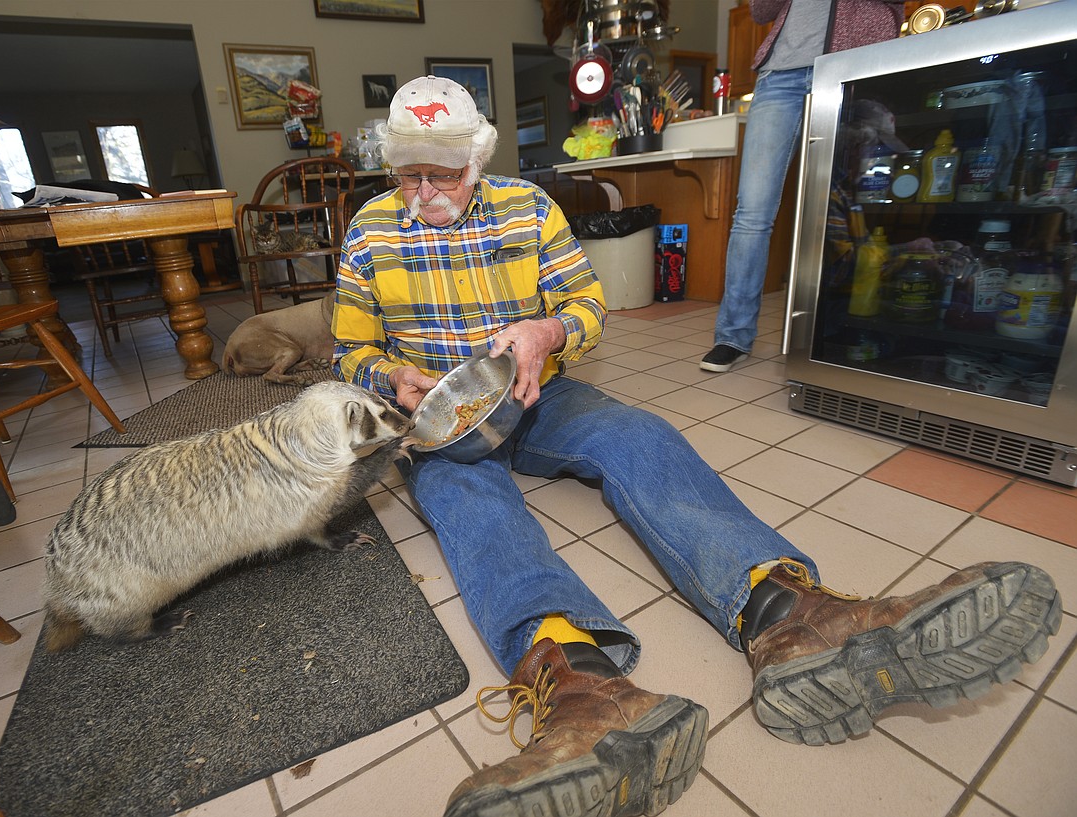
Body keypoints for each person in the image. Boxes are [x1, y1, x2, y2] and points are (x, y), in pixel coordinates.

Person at [332, 76, 1061, 817]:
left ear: (478, 156)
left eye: (444, 172)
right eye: (410, 173)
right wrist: (390, 374)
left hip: (534, 391)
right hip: (440, 421)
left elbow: (586, 303)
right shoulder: (370, 229)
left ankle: (789, 617)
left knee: (635, 434)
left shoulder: (530, 206)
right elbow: (346, 348)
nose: (426, 190)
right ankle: (585, 689)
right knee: (465, 497)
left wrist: (547, 332)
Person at [701, 0, 908, 373]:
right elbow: (760, 12)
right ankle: (732, 336)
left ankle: (839, 331)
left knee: (842, 202)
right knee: (752, 210)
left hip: (853, 65)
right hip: (779, 74)